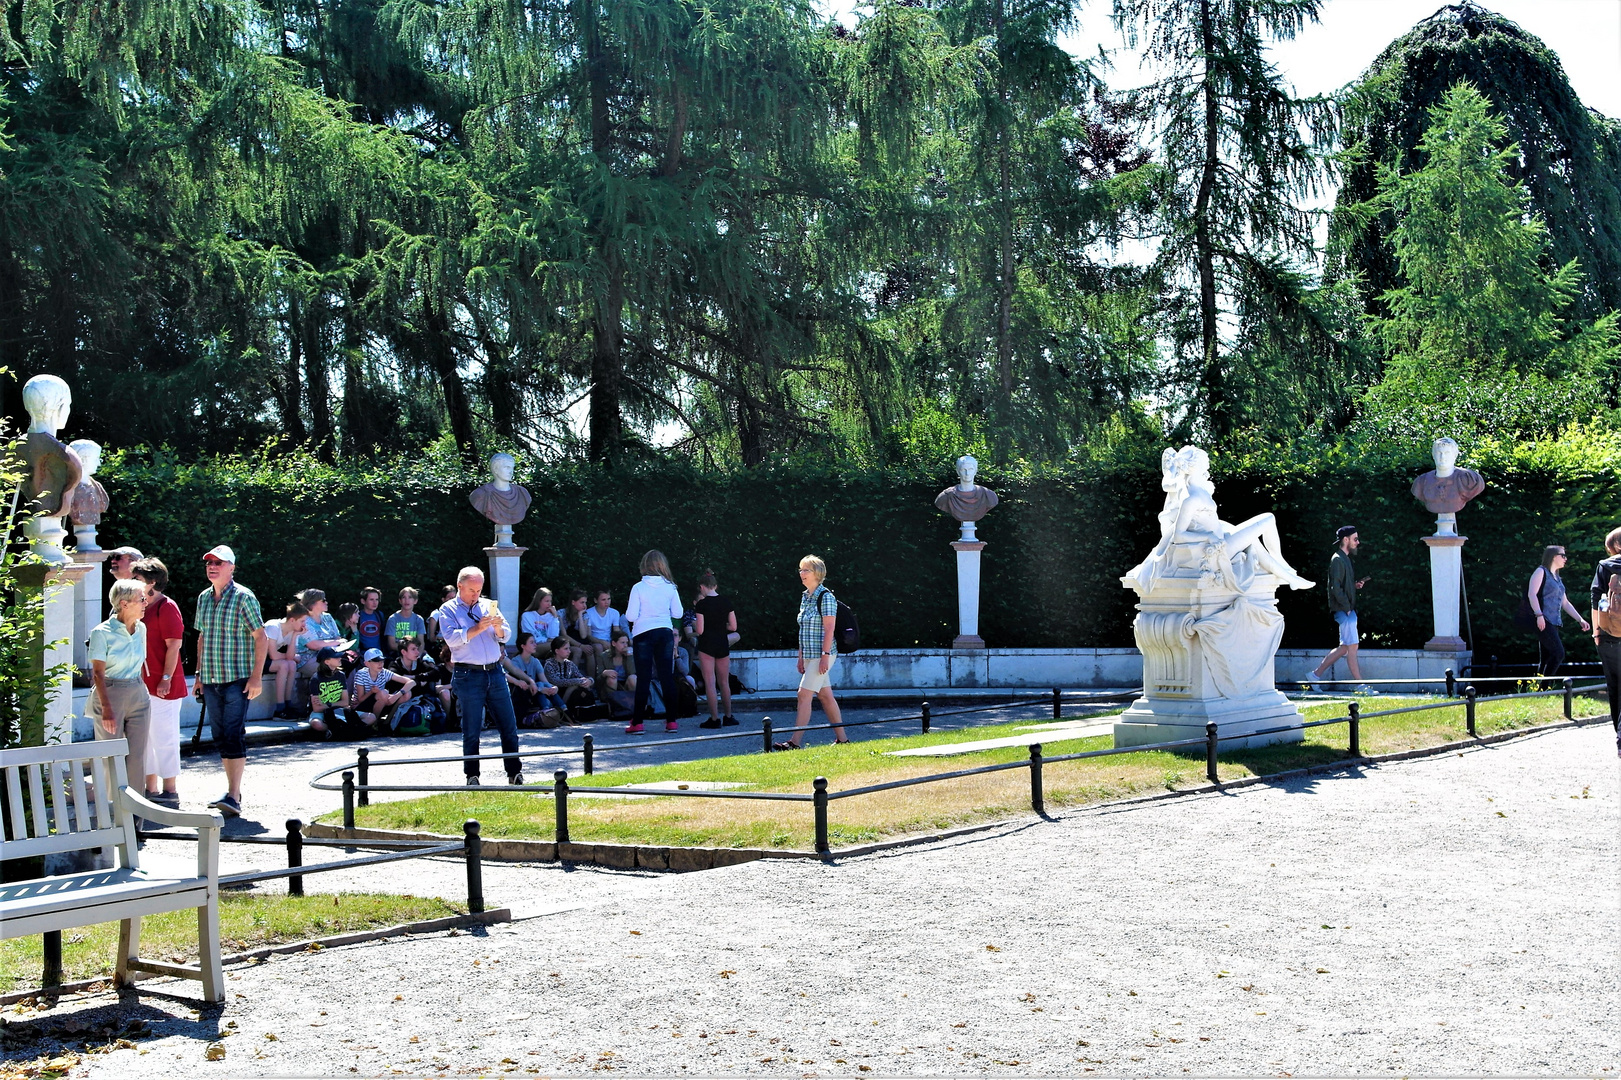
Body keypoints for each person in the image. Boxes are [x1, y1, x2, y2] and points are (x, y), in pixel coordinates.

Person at [194, 545, 268, 817]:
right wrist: (199, 676)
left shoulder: (244, 597)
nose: (212, 566)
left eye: (219, 563)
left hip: (238, 679)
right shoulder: (203, 598)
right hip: (211, 679)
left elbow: (261, 638)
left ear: (232, 567)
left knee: (233, 733)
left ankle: (234, 795)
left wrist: (257, 677)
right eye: (209, 563)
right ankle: (231, 792)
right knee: (220, 735)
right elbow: (202, 637)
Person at [435, 567, 525, 785]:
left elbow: (506, 634)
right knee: (472, 728)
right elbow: (451, 639)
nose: (476, 595)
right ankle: (472, 776)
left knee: (508, 725)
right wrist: (477, 628)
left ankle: (514, 773)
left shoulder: (487, 605)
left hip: (494, 670)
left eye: (479, 590)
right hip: (468, 673)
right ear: (460, 586)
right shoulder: (447, 609)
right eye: (472, 590)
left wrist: (498, 628)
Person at [88, 578, 152, 799]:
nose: (145, 602)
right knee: (111, 758)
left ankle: (135, 823)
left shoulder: (142, 628)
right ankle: (112, 817)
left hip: (137, 692)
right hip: (110, 694)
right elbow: (97, 673)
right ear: (124, 603)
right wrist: (107, 708)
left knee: (137, 757)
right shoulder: (101, 632)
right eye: (141, 599)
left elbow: (139, 665)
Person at [776, 555, 848, 750]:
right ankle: (843, 740)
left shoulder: (826, 597)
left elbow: (829, 628)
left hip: (822, 654)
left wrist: (825, 656)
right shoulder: (805, 596)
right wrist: (800, 657)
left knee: (803, 694)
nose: (802, 574)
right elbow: (803, 629)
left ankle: (794, 742)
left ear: (817, 573)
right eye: (801, 570)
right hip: (809, 655)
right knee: (825, 696)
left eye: (805, 570)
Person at [132, 558, 187, 812]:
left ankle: (170, 790)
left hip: (163, 683)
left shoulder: (167, 607)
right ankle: (150, 789)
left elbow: (174, 644)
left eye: (138, 578)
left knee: (165, 737)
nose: (133, 582)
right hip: (142, 682)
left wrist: (165, 678)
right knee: (146, 739)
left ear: (152, 582)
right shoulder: (140, 605)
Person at [623, 550, 684, 734]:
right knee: (667, 677)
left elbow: (631, 615)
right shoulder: (670, 587)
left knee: (644, 678)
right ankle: (671, 721)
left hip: (643, 633)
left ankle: (638, 722)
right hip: (664, 632)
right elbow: (678, 614)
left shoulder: (638, 588)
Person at [1305, 527, 1370, 693]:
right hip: (1345, 611)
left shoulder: (1343, 558)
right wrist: (1347, 608)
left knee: (1345, 648)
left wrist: (1354, 586)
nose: (1358, 542)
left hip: (1346, 610)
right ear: (1346, 540)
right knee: (1352, 647)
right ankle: (1361, 685)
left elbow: (1341, 585)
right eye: (1355, 539)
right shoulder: (1337, 560)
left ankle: (1314, 676)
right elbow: (1335, 588)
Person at [1527, 545, 1590, 677]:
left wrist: (1580, 619)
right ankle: (1545, 687)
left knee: (1546, 657)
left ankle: (1538, 690)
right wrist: (1539, 615)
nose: (1565, 559)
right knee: (1558, 653)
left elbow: (1565, 603)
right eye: (1563, 555)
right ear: (1553, 556)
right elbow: (1532, 594)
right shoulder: (1541, 572)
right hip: (1543, 620)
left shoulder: (1557, 578)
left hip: (1554, 621)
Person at [693, 570, 738, 728]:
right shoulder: (726, 602)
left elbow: (700, 630)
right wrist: (721, 625)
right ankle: (728, 716)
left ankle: (714, 719)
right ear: (715, 586)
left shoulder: (701, 604)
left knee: (710, 683)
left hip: (706, 645)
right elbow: (733, 626)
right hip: (722, 642)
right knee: (724, 682)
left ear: (702, 587)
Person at [1589, 527, 1621, 743]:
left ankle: (1619, 735)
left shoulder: (1605, 566)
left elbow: (1595, 600)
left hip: (1610, 635)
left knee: (1615, 685)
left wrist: (1596, 633)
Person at [263, 601, 310, 719]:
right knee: (284, 665)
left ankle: (288, 704)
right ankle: (279, 709)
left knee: (292, 665)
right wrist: (292, 657)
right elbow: (273, 655)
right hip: (255, 660)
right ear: (292, 620)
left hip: (268, 660)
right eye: (302, 621)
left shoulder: (293, 631)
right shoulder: (273, 626)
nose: (304, 625)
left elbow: (290, 657)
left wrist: (295, 636)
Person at [505, 632, 564, 723]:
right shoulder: (515, 661)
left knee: (543, 684)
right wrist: (540, 689)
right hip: (524, 694)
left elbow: (544, 680)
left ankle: (558, 708)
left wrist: (553, 687)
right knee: (540, 684)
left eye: (535, 642)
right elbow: (521, 687)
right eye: (531, 642)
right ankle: (556, 710)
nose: (535, 645)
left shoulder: (535, 661)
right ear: (523, 646)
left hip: (537, 693)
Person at [351, 648, 412, 730]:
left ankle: (388, 723)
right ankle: (374, 725)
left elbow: (411, 682)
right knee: (383, 693)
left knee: (407, 694)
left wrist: (397, 696)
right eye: (376, 661)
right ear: (367, 663)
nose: (380, 664)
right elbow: (360, 699)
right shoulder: (361, 674)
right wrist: (371, 692)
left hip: (380, 702)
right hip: (362, 707)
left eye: (382, 661)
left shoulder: (384, 672)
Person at [295, 588, 348, 678]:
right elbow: (314, 645)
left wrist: (339, 642)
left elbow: (337, 637)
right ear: (312, 603)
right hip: (308, 659)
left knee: (351, 663)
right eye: (323, 600)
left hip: (330, 655)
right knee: (333, 669)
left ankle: (348, 692)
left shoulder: (328, 617)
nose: (326, 602)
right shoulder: (303, 620)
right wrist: (337, 642)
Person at [391, 638, 452, 716]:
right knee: (407, 694)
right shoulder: (395, 665)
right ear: (403, 652)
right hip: (401, 700)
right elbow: (395, 680)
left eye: (417, 648)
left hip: (419, 701)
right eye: (413, 649)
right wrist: (419, 682)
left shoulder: (419, 663)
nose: (417, 652)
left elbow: (435, 673)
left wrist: (415, 677)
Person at [307, 647, 356, 737]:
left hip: (337, 710)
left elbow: (345, 702)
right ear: (327, 662)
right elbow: (317, 708)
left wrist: (327, 705)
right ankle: (333, 729)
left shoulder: (341, 675)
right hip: (321, 712)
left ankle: (336, 729)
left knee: (370, 718)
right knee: (316, 724)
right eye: (336, 657)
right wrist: (336, 704)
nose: (340, 658)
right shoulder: (315, 678)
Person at [544, 637, 595, 711]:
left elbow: (580, 677)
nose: (569, 651)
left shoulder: (569, 664)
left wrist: (589, 681)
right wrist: (578, 681)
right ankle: (563, 709)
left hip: (568, 693)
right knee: (574, 686)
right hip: (555, 693)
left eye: (569, 648)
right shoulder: (549, 664)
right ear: (557, 651)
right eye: (566, 649)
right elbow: (556, 682)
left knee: (582, 687)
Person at [562, 588, 604, 678]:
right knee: (579, 651)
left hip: (580, 639)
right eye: (582, 602)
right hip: (566, 641)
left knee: (589, 651)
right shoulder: (561, 614)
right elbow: (563, 635)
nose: (584, 605)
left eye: (585, 602)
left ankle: (591, 681)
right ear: (573, 602)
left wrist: (580, 615)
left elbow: (583, 635)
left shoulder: (585, 615)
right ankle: (570, 678)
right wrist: (580, 646)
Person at [520, 588, 563, 659]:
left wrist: (555, 617)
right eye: (546, 601)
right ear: (539, 601)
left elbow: (553, 636)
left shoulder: (551, 616)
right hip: (533, 646)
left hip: (549, 645)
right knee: (557, 647)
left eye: (550, 601)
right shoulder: (527, 616)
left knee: (558, 647)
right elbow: (529, 637)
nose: (549, 604)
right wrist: (546, 640)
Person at [386, 587, 427, 656]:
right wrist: (408, 652)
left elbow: (421, 643)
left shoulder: (419, 619)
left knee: (430, 663)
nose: (406, 600)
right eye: (403, 597)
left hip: (415, 653)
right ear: (400, 600)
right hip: (398, 653)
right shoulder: (393, 619)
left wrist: (417, 655)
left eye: (410, 597)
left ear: (415, 601)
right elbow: (392, 644)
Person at [356, 587, 385, 656]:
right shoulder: (358, 616)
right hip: (363, 654)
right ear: (363, 601)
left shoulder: (379, 615)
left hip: (378, 653)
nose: (375, 603)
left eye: (377, 599)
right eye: (371, 599)